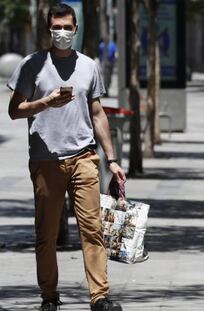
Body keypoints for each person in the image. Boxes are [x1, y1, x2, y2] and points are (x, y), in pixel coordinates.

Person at [7, 4, 125, 311]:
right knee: (46, 234)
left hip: (84, 158)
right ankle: (49, 296)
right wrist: (45, 102)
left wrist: (112, 159)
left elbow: (97, 113)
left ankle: (100, 297)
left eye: (67, 27)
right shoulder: (32, 65)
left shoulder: (88, 65)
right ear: (48, 29)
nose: (61, 33)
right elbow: (14, 110)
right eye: (56, 27)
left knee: (93, 229)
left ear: (75, 29)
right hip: (46, 161)